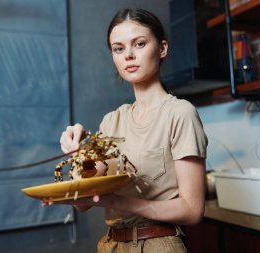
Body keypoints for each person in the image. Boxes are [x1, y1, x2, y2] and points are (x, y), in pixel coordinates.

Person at [48, 7, 208, 253]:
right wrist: (79, 154)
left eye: (140, 44)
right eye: (119, 48)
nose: (128, 55)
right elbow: (83, 204)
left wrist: (120, 202)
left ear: (162, 48)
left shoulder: (180, 113)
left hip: (158, 244)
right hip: (111, 245)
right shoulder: (111, 121)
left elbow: (192, 209)